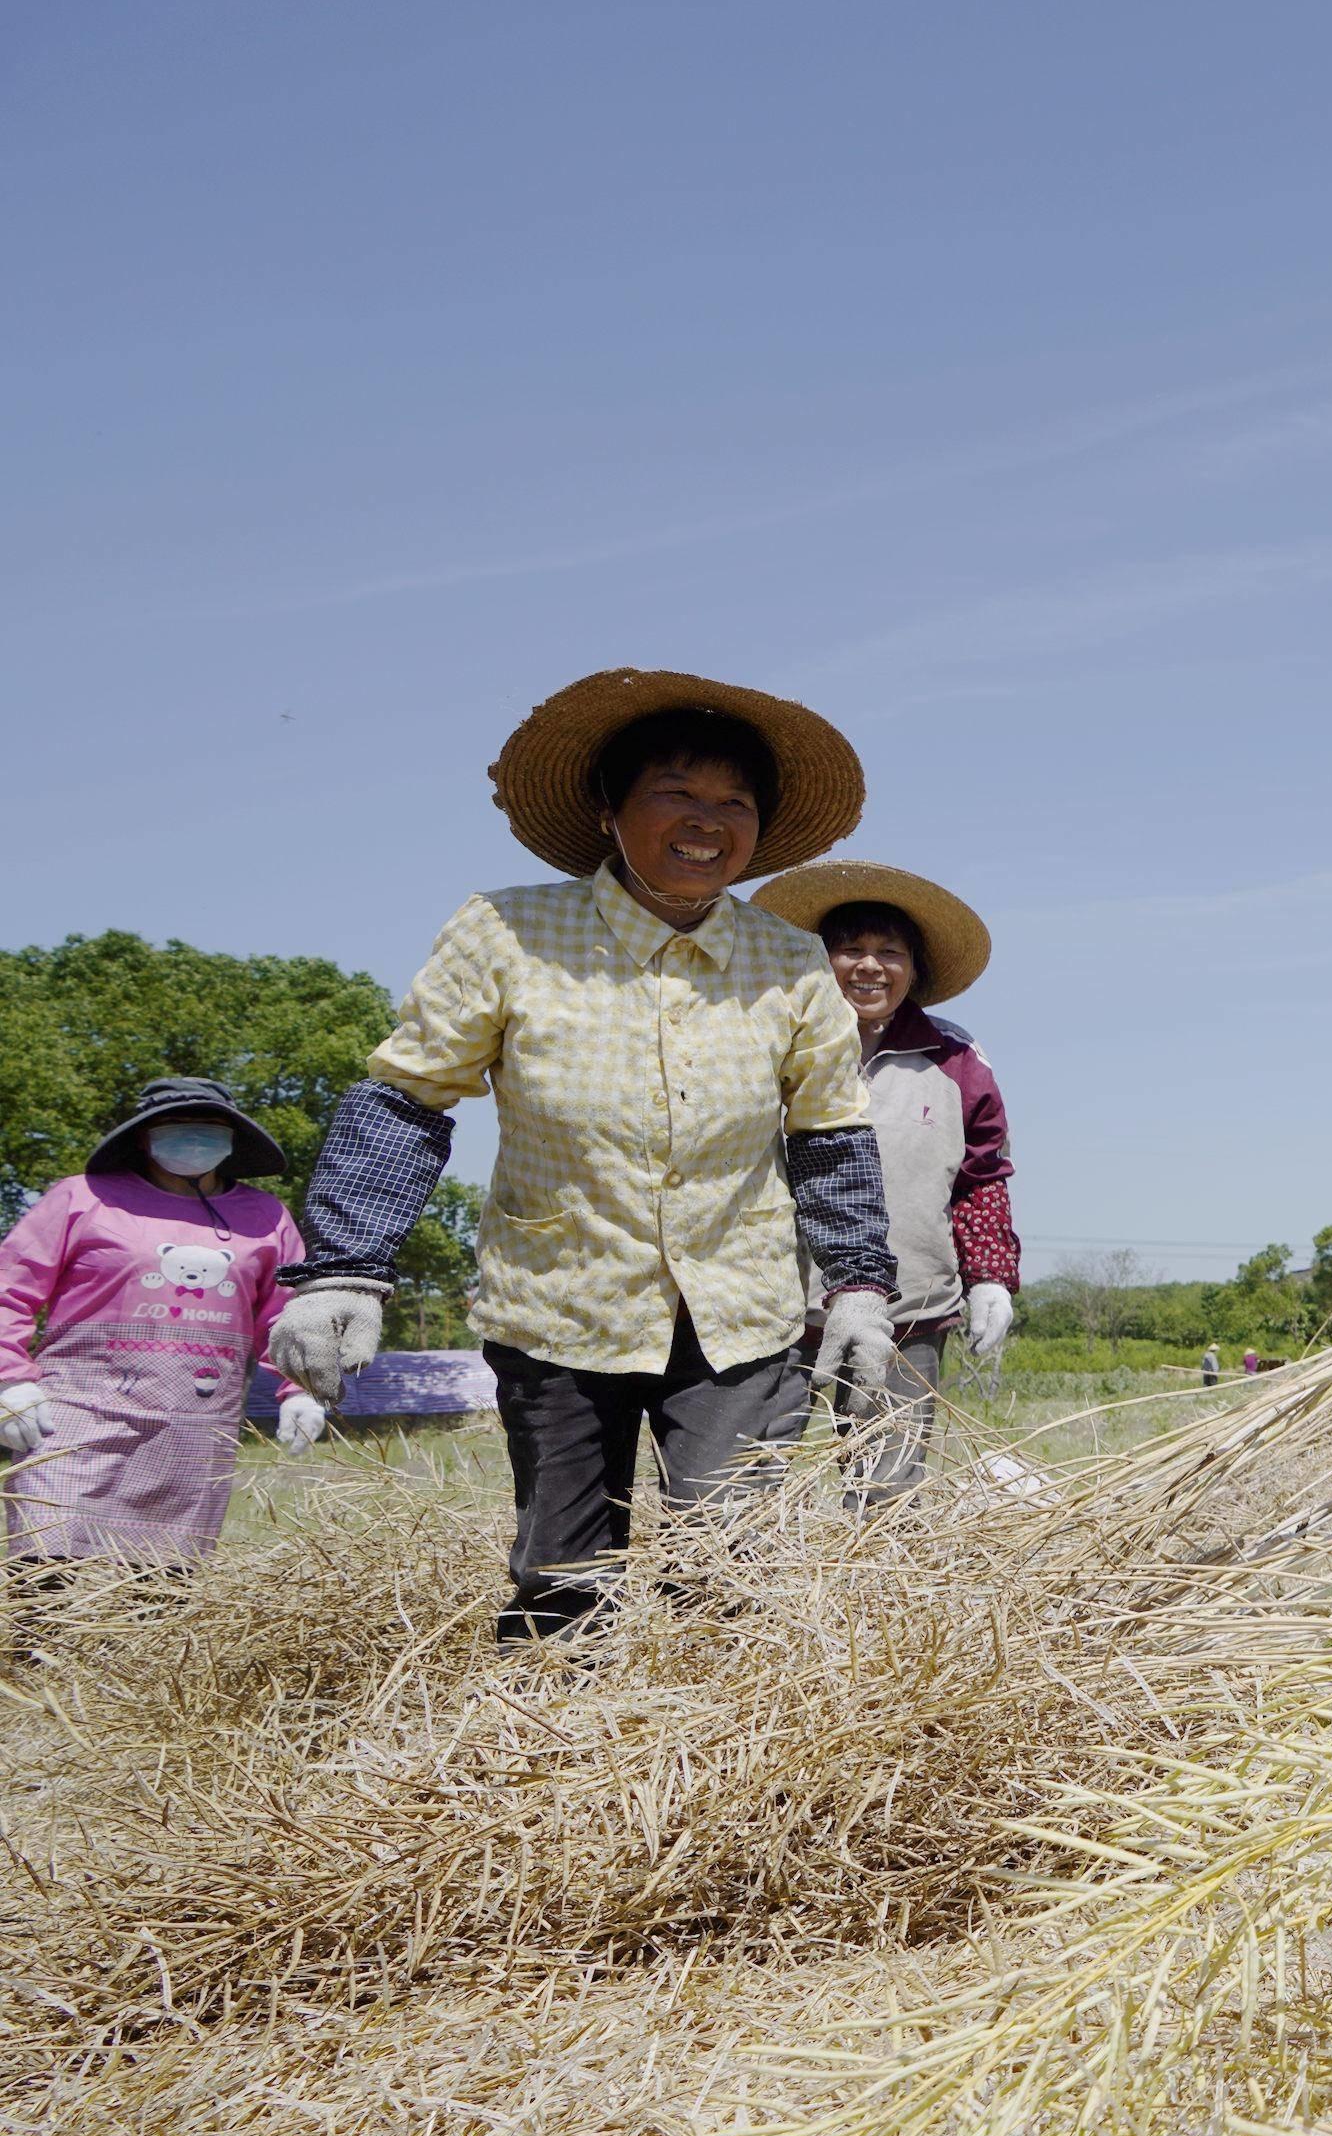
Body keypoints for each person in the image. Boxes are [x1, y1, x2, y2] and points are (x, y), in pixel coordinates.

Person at [269, 670, 900, 1638]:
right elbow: (407, 1098)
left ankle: (728, 1757)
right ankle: (556, 1745)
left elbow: (828, 1133)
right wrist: (346, 1267)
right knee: (564, 1576)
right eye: (676, 793)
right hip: (559, 1303)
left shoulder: (787, 959)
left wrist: (858, 1285)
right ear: (609, 810)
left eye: (734, 801)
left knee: (732, 1565)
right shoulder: (510, 930)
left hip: (738, 1309)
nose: (707, 820)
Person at [750, 860, 1019, 1499]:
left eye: (889, 952)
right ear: (820, 961)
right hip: (771, 1309)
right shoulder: (769, 1040)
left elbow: (982, 1176)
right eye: (851, 950)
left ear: (914, 970)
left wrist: (989, 1277)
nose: (870, 966)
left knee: (888, 1491)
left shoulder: (955, 1059)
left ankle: (873, 1596)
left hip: (909, 1309)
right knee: (744, 1486)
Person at [0, 1079, 317, 1570]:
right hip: (74, 1420)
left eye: (210, 1129)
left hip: (192, 1428)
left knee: (161, 1584)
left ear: (233, 1139)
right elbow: (10, 1288)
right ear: (144, 1137)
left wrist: (299, 1388)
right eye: (176, 1128)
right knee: (49, 1567)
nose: (194, 1140)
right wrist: (9, 1379)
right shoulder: (82, 1198)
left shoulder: (265, 1217)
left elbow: (287, 1315)